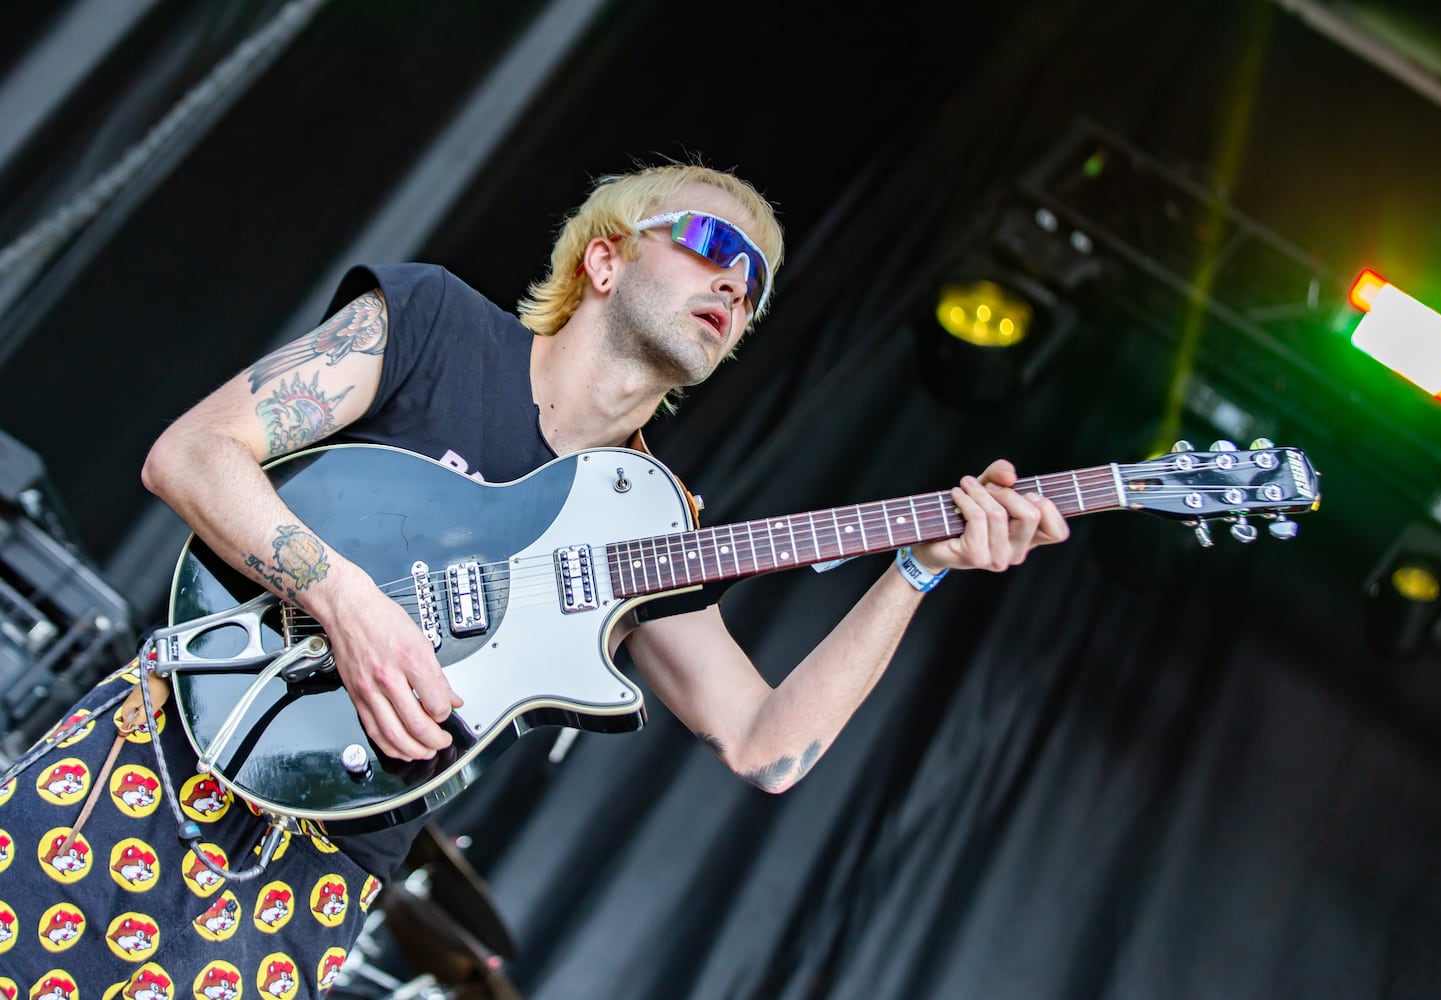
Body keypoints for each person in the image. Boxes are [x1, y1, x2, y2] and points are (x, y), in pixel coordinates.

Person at [0, 161, 1068, 996]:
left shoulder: (654, 517)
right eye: (711, 245)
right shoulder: (429, 328)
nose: (736, 284)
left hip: (310, 880)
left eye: (756, 286)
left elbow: (764, 742)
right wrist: (349, 602)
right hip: (170, 744)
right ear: (606, 260)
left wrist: (918, 570)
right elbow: (190, 455)